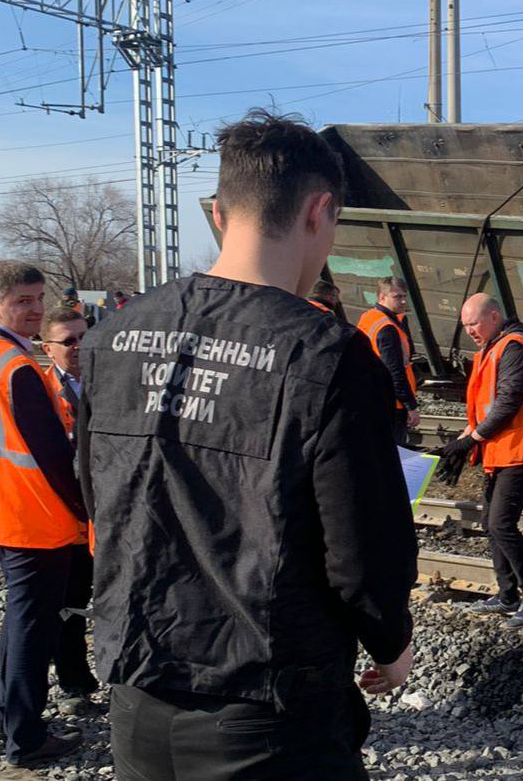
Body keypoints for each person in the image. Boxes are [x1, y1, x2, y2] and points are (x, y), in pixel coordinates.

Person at [77, 110, 418, 780]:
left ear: (217, 213)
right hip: (268, 709)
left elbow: (96, 494)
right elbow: (360, 550)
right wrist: (391, 641)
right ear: (319, 210)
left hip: (136, 687)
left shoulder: (110, 339)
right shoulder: (328, 357)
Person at [0, 261, 86, 766]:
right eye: (22, 301)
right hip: (31, 516)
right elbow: (53, 459)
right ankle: (25, 738)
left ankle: (10, 715)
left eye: (37, 299)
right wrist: (85, 512)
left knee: (20, 618)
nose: (33, 311)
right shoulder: (17, 369)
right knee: (33, 626)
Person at [445, 293, 523, 628]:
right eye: (465, 325)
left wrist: (472, 440)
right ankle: (507, 595)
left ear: (494, 316)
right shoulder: (494, 347)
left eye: (474, 323)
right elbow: (485, 404)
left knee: (501, 524)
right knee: (490, 524)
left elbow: (508, 403)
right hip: (504, 448)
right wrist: (464, 439)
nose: (470, 331)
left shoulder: (514, 347)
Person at [39, 305, 98, 712]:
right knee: (67, 603)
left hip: (100, 510)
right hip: (60, 514)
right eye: (69, 341)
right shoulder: (39, 391)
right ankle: (73, 683)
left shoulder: (106, 381)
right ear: (49, 348)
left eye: (84, 338)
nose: (79, 347)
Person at [358, 277, 420, 443]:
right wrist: (411, 406)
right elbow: (395, 372)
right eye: (397, 296)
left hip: (374, 397)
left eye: (404, 296)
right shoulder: (387, 329)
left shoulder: (369, 317)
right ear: (381, 297)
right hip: (392, 404)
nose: (403, 301)